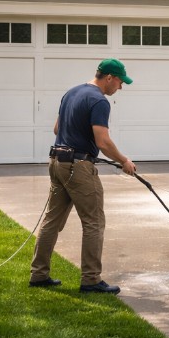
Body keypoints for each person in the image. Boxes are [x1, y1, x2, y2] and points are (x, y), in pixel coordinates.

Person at [30, 58, 138, 294]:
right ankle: (90, 280)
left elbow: (57, 129)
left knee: (52, 221)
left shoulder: (72, 92)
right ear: (109, 77)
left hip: (57, 161)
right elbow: (103, 142)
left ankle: (38, 275)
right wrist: (124, 161)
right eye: (119, 82)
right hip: (78, 167)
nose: (119, 88)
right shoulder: (99, 101)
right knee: (94, 222)